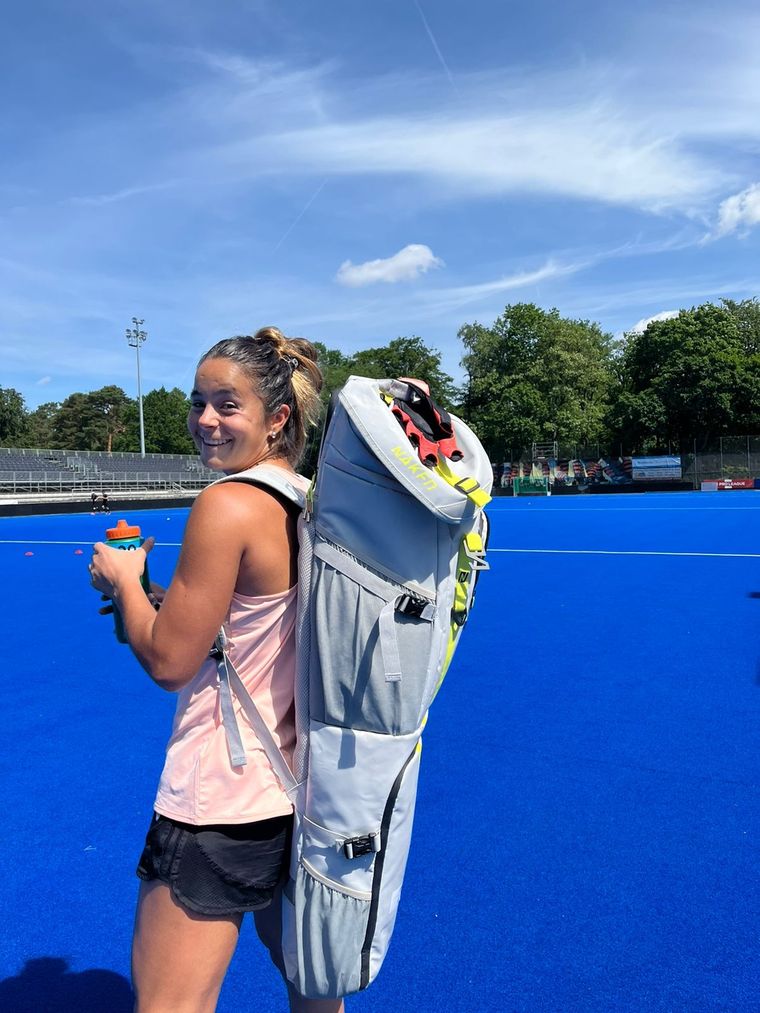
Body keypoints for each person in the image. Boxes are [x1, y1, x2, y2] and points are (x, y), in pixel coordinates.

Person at [89, 328, 343, 1013]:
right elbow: (251, 626)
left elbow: (170, 660)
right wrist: (157, 600)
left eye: (227, 404)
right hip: (297, 790)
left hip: (218, 798)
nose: (205, 419)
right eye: (198, 401)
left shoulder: (227, 504)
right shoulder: (306, 499)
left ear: (277, 417)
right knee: (313, 990)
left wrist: (124, 580)